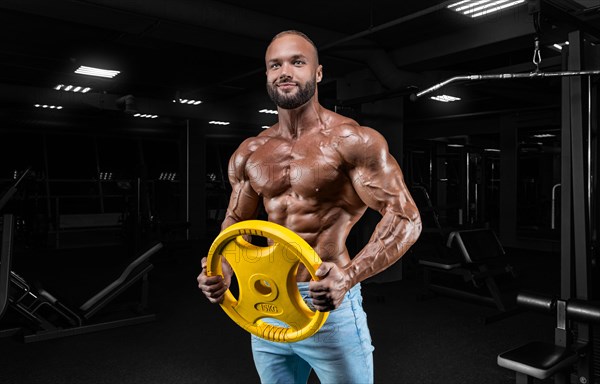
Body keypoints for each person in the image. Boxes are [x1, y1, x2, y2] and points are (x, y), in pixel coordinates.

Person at [197, 30, 421, 384]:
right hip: (267, 303)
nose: (285, 71)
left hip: (327, 303)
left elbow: (405, 217)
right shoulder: (251, 151)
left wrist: (347, 277)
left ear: (318, 73)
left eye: (297, 62)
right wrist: (223, 266)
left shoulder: (353, 141)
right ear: (267, 75)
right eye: (275, 65)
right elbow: (236, 220)